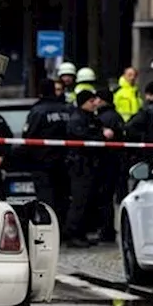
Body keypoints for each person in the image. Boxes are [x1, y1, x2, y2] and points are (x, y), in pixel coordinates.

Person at [22, 80, 74, 225]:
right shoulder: (66, 110)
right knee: (63, 198)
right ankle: (63, 230)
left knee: (46, 201)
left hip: (42, 164)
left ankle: (49, 231)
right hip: (64, 163)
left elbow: (28, 137)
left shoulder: (38, 111)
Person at [64, 89, 109, 248]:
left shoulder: (90, 118)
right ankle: (73, 234)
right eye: (91, 101)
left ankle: (82, 233)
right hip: (80, 166)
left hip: (91, 165)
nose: (95, 103)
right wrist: (103, 136)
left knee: (88, 201)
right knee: (79, 201)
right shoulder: (77, 119)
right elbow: (84, 139)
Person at [92, 89, 126, 243]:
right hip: (116, 160)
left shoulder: (102, 118)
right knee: (113, 197)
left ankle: (106, 230)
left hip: (105, 162)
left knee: (104, 198)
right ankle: (109, 230)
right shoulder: (116, 116)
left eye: (97, 98)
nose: (95, 102)